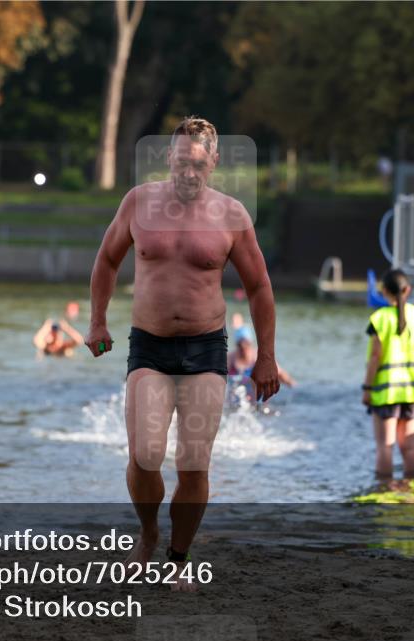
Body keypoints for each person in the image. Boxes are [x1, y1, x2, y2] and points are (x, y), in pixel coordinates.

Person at [85, 116, 280, 590]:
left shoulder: (231, 215)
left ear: (213, 162)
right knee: (146, 454)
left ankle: (178, 557)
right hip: (149, 346)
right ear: (168, 157)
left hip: (205, 349)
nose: (189, 171)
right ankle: (149, 531)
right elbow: (108, 259)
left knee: (194, 463)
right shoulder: (139, 202)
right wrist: (97, 321)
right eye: (182, 160)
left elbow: (258, 286)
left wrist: (266, 357)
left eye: (199, 162)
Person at [362, 269, 414, 478]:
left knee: (385, 446)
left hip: (386, 393)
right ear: (408, 290)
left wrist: (367, 388)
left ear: (384, 291)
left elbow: (375, 358)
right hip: (413, 391)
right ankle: (410, 488)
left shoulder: (379, 319)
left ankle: (384, 491)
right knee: (410, 446)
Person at [227, 325, 295, 396]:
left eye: (246, 343)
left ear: (251, 343)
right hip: (237, 396)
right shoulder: (230, 358)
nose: (243, 347)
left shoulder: (260, 356)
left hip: (257, 396)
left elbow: (280, 374)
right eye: (240, 345)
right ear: (236, 345)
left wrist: (294, 387)